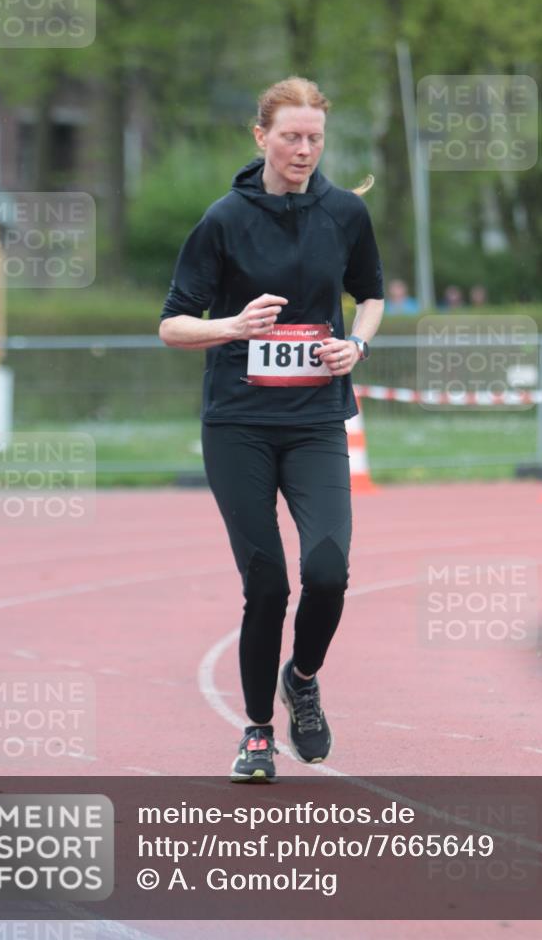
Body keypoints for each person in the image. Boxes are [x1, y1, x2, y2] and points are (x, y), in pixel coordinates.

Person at [159, 76, 385, 782]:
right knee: (266, 585)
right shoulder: (224, 219)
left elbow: (371, 295)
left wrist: (358, 345)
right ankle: (257, 731)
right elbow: (172, 325)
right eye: (290, 137)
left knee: (328, 573)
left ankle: (303, 678)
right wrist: (232, 326)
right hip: (239, 426)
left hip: (317, 420)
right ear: (261, 137)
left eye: (314, 138)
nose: (304, 150)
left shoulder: (345, 213)